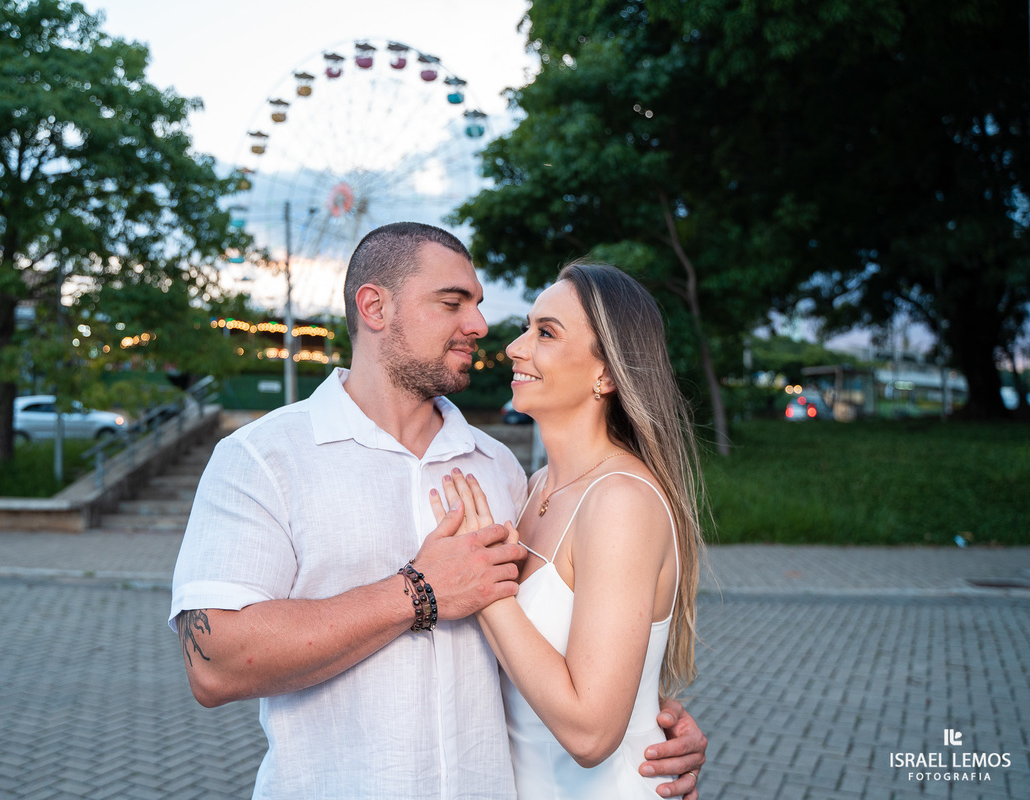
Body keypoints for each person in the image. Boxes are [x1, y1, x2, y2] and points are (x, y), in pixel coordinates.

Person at [169, 223, 706, 799]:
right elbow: (213, 666)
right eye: (453, 303)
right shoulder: (263, 458)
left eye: (478, 305)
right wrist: (419, 591)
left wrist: (646, 711)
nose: (481, 327)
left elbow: (578, 663)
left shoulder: (503, 472)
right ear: (375, 307)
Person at [430, 262, 706, 798]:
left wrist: (481, 588)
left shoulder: (619, 500)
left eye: (546, 333)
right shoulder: (533, 487)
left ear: (606, 374)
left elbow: (592, 733)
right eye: (528, 326)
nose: (515, 345)